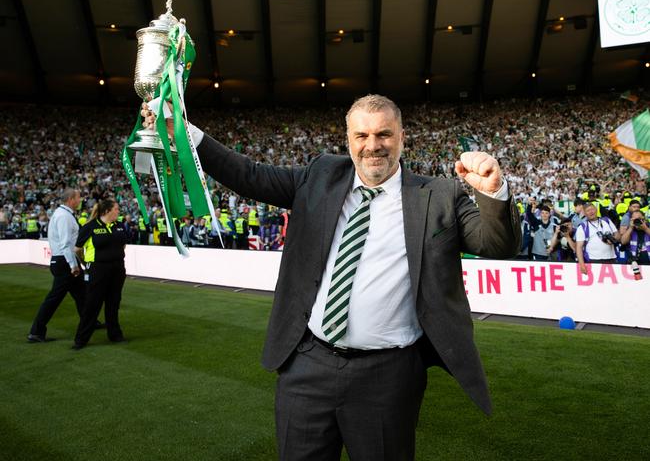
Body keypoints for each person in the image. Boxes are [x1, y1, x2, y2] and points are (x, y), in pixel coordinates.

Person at [142, 94, 520, 460]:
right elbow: (249, 176)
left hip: (388, 377)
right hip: (308, 365)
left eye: (384, 134)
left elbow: (497, 245)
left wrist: (493, 193)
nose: (374, 145)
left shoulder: (439, 194)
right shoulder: (320, 175)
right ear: (349, 140)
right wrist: (184, 134)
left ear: (402, 138)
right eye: (362, 135)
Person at [28, 188, 86, 342]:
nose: (80, 200)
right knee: (54, 298)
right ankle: (36, 331)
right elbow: (65, 244)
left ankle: (90, 321)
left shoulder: (63, 215)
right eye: (78, 197)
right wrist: (73, 265)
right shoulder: (64, 217)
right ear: (71, 199)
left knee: (82, 295)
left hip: (63, 260)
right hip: (65, 261)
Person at [72, 198, 128, 349]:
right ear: (107, 211)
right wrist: (87, 264)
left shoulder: (120, 226)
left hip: (117, 269)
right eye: (116, 209)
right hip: (98, 269)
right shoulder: (90, 227)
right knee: (92, 304)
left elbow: (123, 245)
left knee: (113, 303)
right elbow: (77, 249)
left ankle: (115, 334)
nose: (118, 211)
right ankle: (81, 339)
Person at [575, 202, 620, 274]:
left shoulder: (607, 221)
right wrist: (582, 264)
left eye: (592, 209)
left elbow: (617, 235)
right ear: (585, 214)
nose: (591, 212)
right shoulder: (582, 227)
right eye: (588, 210)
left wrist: (613, 239)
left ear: (596, 210)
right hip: (594, 260)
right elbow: (579, 247)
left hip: (611, 258)